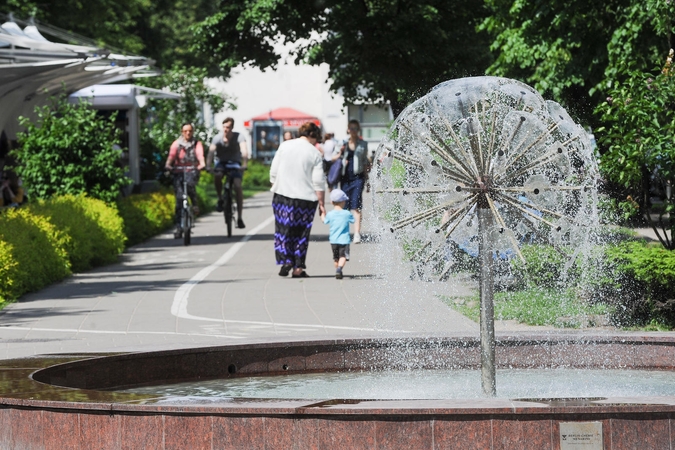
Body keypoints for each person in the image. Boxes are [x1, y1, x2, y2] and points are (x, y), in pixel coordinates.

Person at [270, 121, 326, 278]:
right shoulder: (314, 153)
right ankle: (297, 268)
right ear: (313, 135)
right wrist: (321, 204)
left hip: (282, 195)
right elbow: (318, 182)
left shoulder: (285, 146)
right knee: (301, 233)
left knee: (283, 230)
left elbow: (273, 172)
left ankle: (286, 260)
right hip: (305, 200)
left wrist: (278, 185)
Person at [165, 122, 206, 238]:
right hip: (178, 171)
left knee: (190, 184)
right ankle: (179, 227)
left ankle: (194, 204)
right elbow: (171, 156)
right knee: (179, 199)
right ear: (182, 132)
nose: (188, 133)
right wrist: (168, 165)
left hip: (192, 170)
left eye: (190, 131)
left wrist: (201, 164)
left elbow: (200, 155)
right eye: (185, 131)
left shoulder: (196, 144)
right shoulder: (176, 144)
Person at [207, 117, 248, 228]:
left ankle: (239, 217)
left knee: (237, 185)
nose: (226, 129)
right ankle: (220, 198)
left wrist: (244, 164)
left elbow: (244, 150)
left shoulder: (239, 137)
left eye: (228, 127)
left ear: (232, 128)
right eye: (224, 127)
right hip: (221, 163)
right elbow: (211, 153)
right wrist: (208, 165)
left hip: (235, 163)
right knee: (217, 175)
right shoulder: (217, 138)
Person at [336, 119, 371, 244]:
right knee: (344, 207)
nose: (353, 131)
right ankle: (345, 233)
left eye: (356, 128)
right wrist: (340, 154)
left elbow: (366, 163)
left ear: (359, 130)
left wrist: (368, 181)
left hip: (358, 178)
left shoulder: (363, 144)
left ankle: (357, 233)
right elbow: (333, 158)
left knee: (356, 206)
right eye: (351, 128)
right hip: (345, 179)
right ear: (348, 129)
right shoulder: (343, 143)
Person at [321, 188, 355, 279]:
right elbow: (353, 220)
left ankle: (338, 269)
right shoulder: (347, 213)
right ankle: (339, 269)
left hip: (333, 240)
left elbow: (324, 221)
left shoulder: (330, 214)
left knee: (336, 258)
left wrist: (322, 215)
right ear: (343, 202)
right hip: (344, 240)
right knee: (343, 256)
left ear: (332, 202)